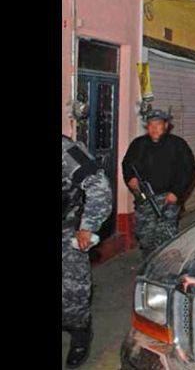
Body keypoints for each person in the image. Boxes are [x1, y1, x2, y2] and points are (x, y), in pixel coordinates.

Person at [62, 135, 112, 368]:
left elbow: (98, 184)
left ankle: (81, 336)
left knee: (73, 295)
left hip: (65, 233)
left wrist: (88, 226)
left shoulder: (66, 150)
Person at [121, 110, 195, 259]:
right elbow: (127, 164)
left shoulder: (177, 144)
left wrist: (176, 192)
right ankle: (149, 265)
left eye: (158, 124)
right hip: (144, 199)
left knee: (165, 236)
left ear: (166, 126)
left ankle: (166, 268)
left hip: (168, 199)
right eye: (151, 124)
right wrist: (130, 178)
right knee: (145, 235)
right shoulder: (138, 144)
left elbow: (188, 170)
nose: (154, 128)